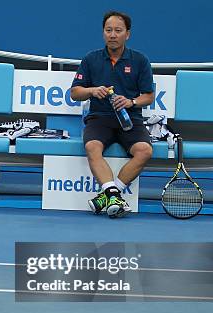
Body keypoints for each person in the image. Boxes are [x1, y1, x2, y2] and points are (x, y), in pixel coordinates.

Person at [70, 10, 154, 218]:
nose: (113, 35)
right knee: (92, 146)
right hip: (100, 118)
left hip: (130, 118)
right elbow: (75, 93)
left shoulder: (140, 60)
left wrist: (131, 101)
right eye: (108, 30)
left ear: (128, 34)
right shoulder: (91, 59)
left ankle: (108, 195)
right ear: (103, 33)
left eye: (118, 30)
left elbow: (149, 96)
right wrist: (91, 90)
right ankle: (114, 195)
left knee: (144, 151)